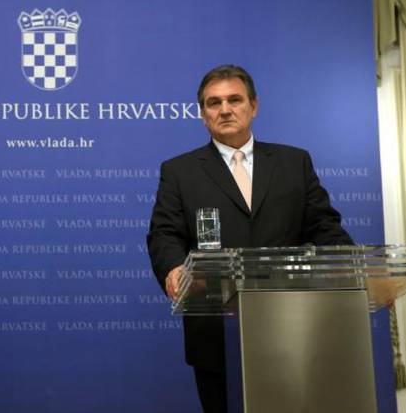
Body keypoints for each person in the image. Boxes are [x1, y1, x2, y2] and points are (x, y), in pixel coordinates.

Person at [146, 64, 353, 412]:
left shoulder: (294, 162)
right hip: (216, 333)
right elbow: (165, 233)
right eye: (214, 103)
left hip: (293, 325)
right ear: (202, 114)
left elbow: (324, 226)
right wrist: (173, 268)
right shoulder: (179, 171)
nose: (224, 109)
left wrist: (352, 268)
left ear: (253, 106)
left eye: (234, 100)